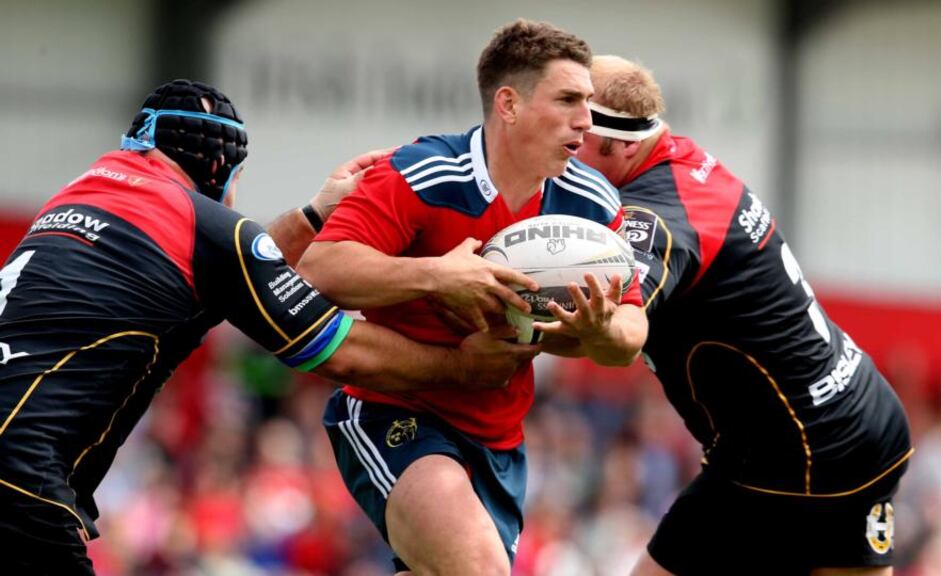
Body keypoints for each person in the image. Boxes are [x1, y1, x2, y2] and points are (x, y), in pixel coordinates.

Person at [0, 79, 539, 575]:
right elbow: (341, 352)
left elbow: (221, 275)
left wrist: (314, 215)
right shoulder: (206, 226)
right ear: (222, 172)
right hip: (20, 477)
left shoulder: (73, 202)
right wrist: (460, 366)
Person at [298, 20, 648, 576]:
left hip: (499, 440)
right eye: (567, 100)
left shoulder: (589, 200)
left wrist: (599, 328)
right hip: (397, 413)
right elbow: (318, 269)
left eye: (587, 101)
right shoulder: (422, 173)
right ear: (508, 104)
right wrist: (438, 276)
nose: (586, 119)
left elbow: (628, 338)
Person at [573, 55, 914, 576]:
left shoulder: (654, 216)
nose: (566, 154)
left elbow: (619, 331)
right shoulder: (682, 162)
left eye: (576, 139)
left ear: (619, 144)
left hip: (797, 453)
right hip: (860, 419)